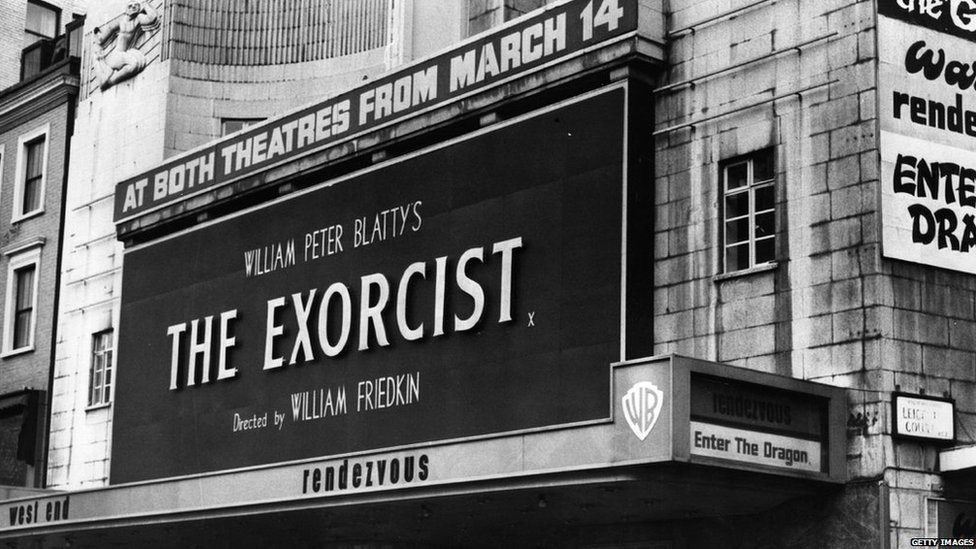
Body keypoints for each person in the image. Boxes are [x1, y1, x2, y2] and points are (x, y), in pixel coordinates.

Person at [93, 1, 159, 90]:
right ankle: (109, 81)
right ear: (126, 9)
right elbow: (104, 34)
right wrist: (98, 40)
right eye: (130, 6)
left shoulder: (138, 19)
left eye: (136, 5)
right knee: (133, 64)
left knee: (135, 64)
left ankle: (110, 81)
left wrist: (145, 4)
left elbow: (152, 18)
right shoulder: (121, 21)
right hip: (117, 54)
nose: (133, 7)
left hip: (125, 53)